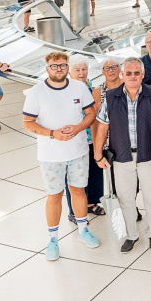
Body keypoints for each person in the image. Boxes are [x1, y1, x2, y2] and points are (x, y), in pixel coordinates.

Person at [22, 52, 99, 261]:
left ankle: (83, 230)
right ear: (47, 68)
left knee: (78, 191)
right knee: (54, 195)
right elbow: (28, 122)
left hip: (78, 151)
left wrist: (78, 128)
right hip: (50, 155)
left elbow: (91, 113)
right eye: (54, 66)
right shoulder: (37, 92)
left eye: (63, 65)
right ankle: (53, 240)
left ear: (67, 67)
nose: (59, 69)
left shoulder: (79, 87)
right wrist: (52, 134)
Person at [93, 57, 151, 253]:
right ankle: (132, 235)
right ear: (123, 75)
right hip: (121, 156)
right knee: (125, 198)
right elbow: (102, 128)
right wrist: (98, 155)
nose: (133, 76)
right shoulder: (110, 96)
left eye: (136, 73)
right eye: (129, 73)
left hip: (148, 155)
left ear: (142, 75)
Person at [62, 61, 105, 223]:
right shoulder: (66, 89)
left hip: (92, 137)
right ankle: (74, 210)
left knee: (94, 172)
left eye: (84, 69)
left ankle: (92, 202)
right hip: (74, 139)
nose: (81, 73)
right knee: (74, 176)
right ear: (70, 72)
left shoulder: (90, 86)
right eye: (77, 70)